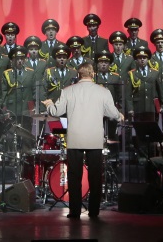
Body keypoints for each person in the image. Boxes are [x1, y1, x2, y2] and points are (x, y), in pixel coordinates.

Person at [42, 60, 123, 219]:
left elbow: (56, 111)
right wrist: (119, 115)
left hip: (75, 138)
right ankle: (94, 211)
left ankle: (75, 211)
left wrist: (49, 104)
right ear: (93, 74)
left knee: (74, 176)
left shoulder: (68, 91)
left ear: (78, 75)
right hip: (94, 138)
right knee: (95, 176)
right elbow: (113, 113)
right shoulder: (103, 91)